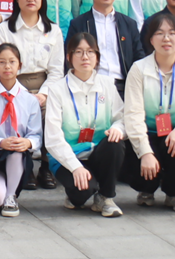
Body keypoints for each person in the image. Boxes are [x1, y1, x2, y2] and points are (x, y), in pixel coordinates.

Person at [123, 12, 175, 212]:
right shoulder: (138, 69)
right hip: (147, 132)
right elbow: (133, 115)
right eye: (160, 33)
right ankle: (146, 189)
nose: (166, 38)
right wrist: (145, 152)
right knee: (141, 155)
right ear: (151, 40)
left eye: (172, 33)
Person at [44, 32, 127, 217]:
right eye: (79, 52)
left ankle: (106, 198)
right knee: (82, 192)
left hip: (98, 152)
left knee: (115, 143)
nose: (85, 57)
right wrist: (76, 167)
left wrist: (117, 128)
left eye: (90, 52)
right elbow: (53, 138)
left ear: (97, 56)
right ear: (69, 57)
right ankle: (77, 194)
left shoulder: (107, 84)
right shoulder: (57, 90)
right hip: (69, 156)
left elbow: (122, 118)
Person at [0, 0, 63, 188]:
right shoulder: (5, 29)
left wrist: (43, 94)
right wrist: (21, 94)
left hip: (45, 87)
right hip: (13, 85)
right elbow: (1, 66)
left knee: (51, 114)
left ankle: (46, 166)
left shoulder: (53, 30)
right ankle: (26, 167)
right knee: (19, 112)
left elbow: (56, 70)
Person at [0, 44, 42, 217]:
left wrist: (27, 142)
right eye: (2, 62)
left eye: (12, 62)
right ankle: (1, 191)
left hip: (18, 157)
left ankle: (11, 196)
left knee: (16, 149)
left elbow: (36, 135)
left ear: (19, 65)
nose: (7, 67)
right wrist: (0, 142)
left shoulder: (30, 100)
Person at [67, 0, 144, 96]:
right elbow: (70, 57)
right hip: (90, 85)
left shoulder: (129, 24)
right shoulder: (79, 24)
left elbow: (138, 56)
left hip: (124, 86)